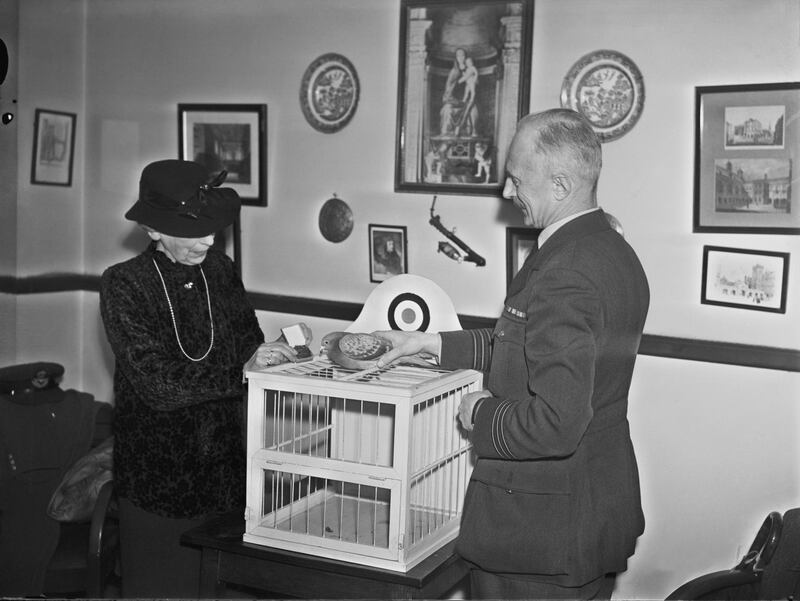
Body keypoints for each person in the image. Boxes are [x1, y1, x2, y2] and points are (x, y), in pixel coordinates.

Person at [376, 108, 649, 599]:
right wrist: (430, 343)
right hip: (590, 511)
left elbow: (556, 421)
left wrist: (480, 412)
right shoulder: (610, 249)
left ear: (561, 185)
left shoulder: (565, 271)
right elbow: (527, 342)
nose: (506, 192)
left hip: (539, 531)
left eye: (516, 179)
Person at [99, 159, 310, 598]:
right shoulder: (124, 284)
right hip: (159, 483)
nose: (208, 240)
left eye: (212, 228)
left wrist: (276, 352)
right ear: (153, 229)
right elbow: (159, 385)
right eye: (193, 231)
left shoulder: (220, 269)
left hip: (227, 477)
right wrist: (242, 372)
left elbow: (247, 346)